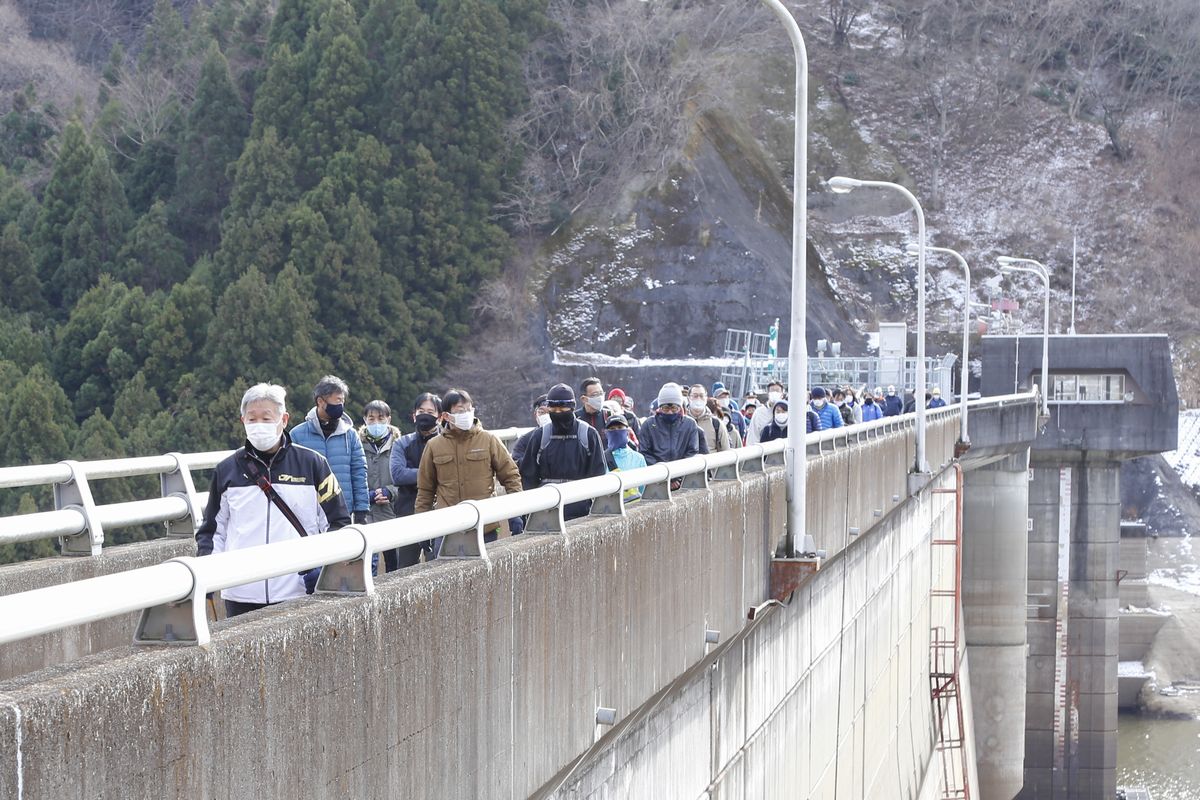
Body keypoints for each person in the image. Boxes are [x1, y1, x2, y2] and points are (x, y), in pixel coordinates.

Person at [196, 383, 350, 618]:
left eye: (266, 419)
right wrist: (206, 577)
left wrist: (324, 568)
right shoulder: (227, 470)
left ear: (284, 419)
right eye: (252, 419)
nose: (259, 425)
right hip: (240, 591)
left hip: (299, 590)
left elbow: (338, 523)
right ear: (243, 421)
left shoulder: (312, 464)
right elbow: (213, 531)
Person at [415, 388, 522, 546]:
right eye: (460, 411)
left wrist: (517, 513)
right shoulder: (434, 446)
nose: (466, 414)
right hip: (446, 528)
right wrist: (422, 528)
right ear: (446, 416)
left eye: (468, 410)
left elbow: (510, 476)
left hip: (484, 526)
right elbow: (425, 490)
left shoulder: (489, 440)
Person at [519, 383, 607, 520]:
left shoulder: (588, 434)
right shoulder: (540, 436)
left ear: (572, 407)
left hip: (581, 511)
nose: (558, 412)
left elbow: (599, 473)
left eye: (563, 407)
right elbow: (528, 475)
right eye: (554, 408)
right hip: (546, 509)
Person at [290, 375, 369, 524]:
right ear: (320, 401)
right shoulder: (297, 435)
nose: (341, 405)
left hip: (343, 512)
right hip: (307, 512)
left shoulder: (350, 435)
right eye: (337, 400)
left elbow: (359, 472)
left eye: (342, 401)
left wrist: (361, 511)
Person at [387, 392, 442, 571]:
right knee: (404, 568)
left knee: (438, 566)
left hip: (439, 511)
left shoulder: (446, 443)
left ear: (440, 417)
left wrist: (415, 475)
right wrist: (432, 474)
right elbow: (398, 475)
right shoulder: (402, 443)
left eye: (430, 412)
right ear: (414, 415)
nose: (425, 415)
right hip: (407, 512)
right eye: (421, 411)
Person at [638, 383, 702, 475]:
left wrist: (677, 475)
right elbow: (644, 453)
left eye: (674, 408)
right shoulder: (648, 425)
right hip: (656, 477)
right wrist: (662, 473)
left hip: (683, 476)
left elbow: (692, 452)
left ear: (680, 408)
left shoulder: (690, 425)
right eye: (665, 408)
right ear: (659, 408)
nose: (670, 412)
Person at [359, 400, 400, 528]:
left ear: (389, 419)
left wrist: (390, 492)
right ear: (365, 420)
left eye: (381, 418)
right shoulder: (357, 447)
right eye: (371, 418)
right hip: (365, 516)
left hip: (393, 513)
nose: (376, 423)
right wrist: (365, 496)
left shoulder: (399, 446)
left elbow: (407, 483)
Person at [604, 414, 647, 502]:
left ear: (627, 431)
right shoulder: (602, 458)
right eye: (612, 429)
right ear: (606, 433)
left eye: (620, 427)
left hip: (634, 507)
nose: (616, 431)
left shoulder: (638, 458)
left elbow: (644, 489)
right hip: (611, 509)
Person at [687, 384, 729, 453]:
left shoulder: (716, 424)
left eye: (701, 396)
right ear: (688, 399)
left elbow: (726, 452)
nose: (698, 399)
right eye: (695, 396)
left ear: (706, 399)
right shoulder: (681, 421)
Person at [511, 394, 551, 465]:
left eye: (549, 412)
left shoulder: (564, 435)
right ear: (535, 414)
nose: (546, 416)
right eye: (542, 412)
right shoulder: (525, 440)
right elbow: (516, 463)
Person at [746, 380, 786, 445]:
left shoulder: (788, 411)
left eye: (777, 391)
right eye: (772, 391)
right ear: (768, 393)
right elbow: (752, 437)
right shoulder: (759, 413)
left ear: (782, 394)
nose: (775, 393)